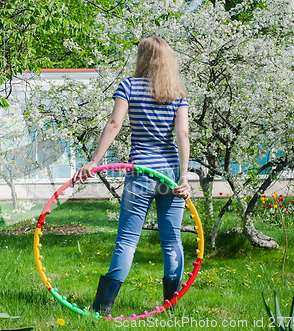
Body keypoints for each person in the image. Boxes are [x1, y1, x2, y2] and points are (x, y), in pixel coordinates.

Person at [72, 36, 191, 316]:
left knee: (127, 240)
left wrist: (94, 161)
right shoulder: (177, 92)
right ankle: (170, 304)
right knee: (171, 239)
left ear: (142, 58)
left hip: (140, 173)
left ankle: (103, 308)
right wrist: (184, 176)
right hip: (170, 176)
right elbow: (183, 134)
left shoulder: (128, 85)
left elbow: (115, 123)